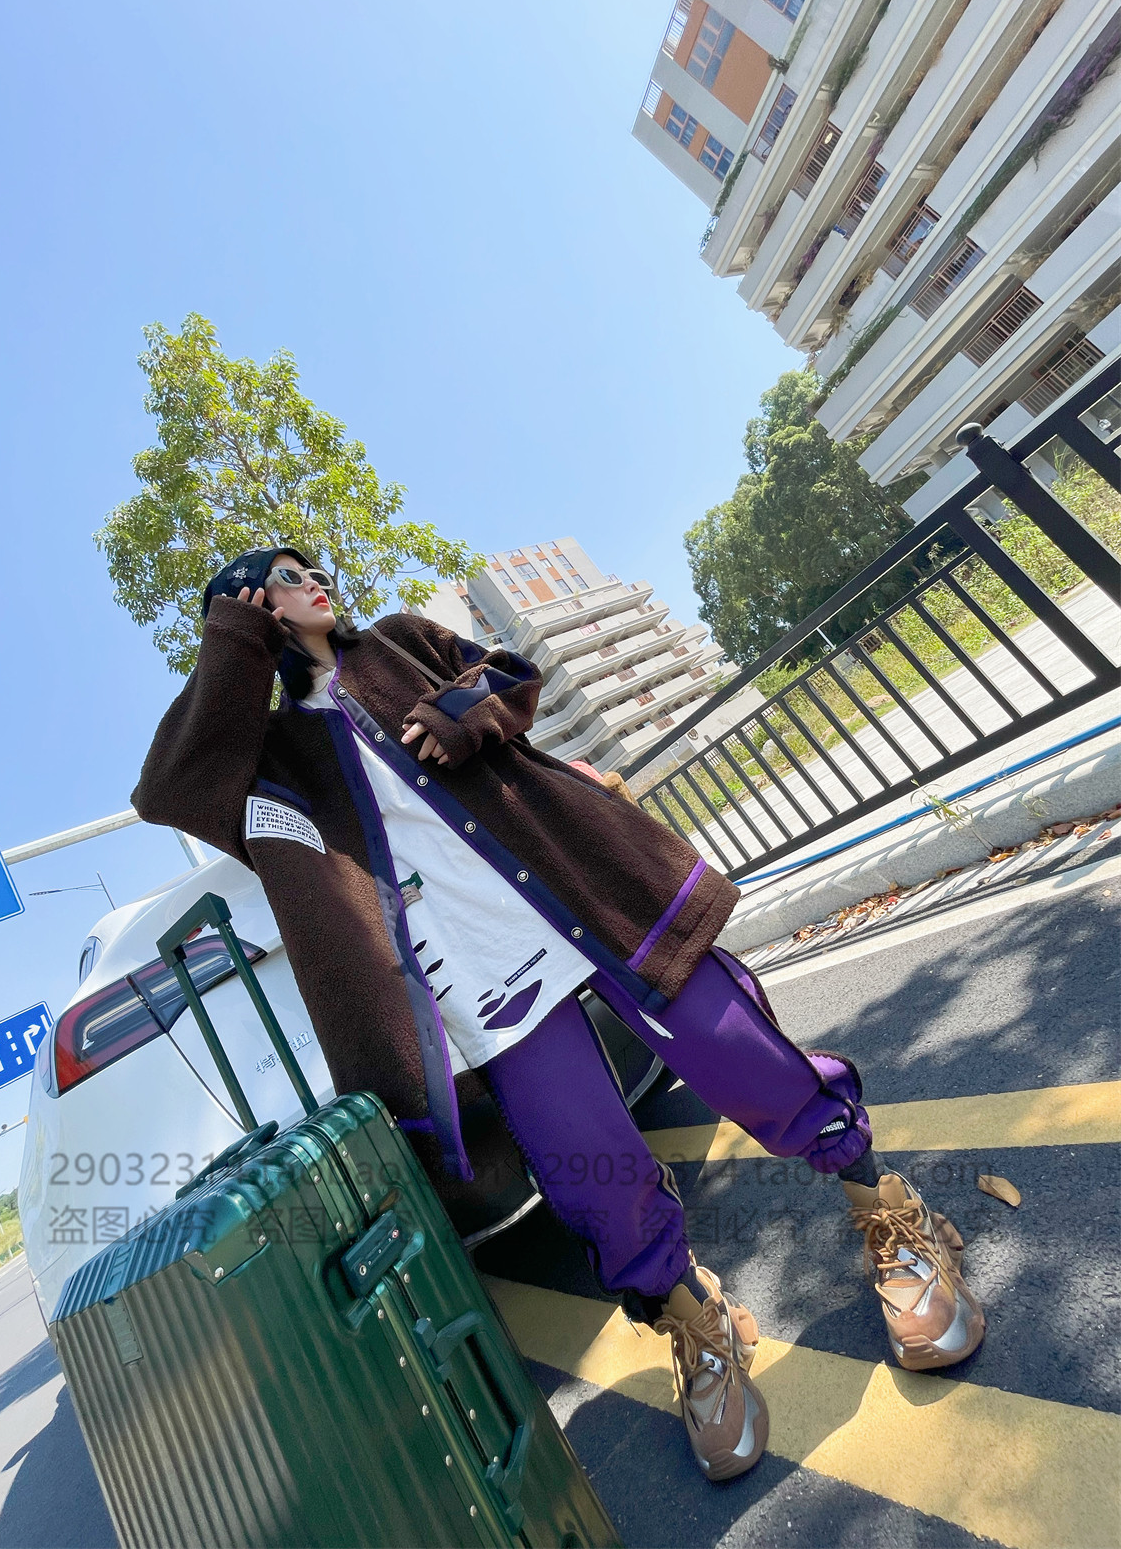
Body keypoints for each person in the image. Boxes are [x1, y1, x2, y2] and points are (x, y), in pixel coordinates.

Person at [133, 546, 986, 1482]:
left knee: (748, 1059)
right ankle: (696, 1320)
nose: (315, 580)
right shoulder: (269, 761)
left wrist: (464, 713)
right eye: (285, 578)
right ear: (250, 610)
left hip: (586, 895)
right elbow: (170, 788)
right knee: (591, 1172)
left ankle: (892, 1214)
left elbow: (510, 674)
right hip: (481, 979)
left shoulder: (400, 642)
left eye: (311, 566)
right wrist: (235, 642)